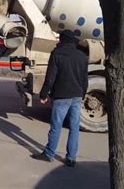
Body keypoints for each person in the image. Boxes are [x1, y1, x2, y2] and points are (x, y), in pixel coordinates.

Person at [31, 29, 88, 167]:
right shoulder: (82, 56)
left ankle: (49, 154)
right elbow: (84, 79)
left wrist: (44, 94)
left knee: (56, 126)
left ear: (61, 40)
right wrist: (83, 94)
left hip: (61, 96)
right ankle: (71, 158)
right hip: (77, 95)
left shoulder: (57, 54)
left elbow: (50, 78)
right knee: (74, 127)